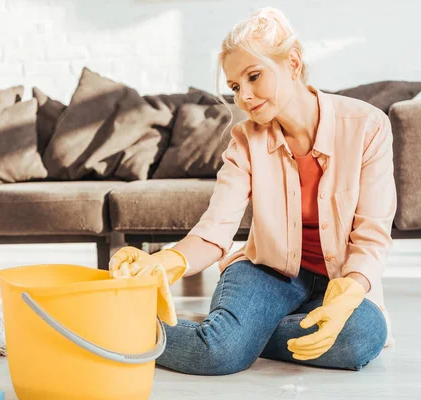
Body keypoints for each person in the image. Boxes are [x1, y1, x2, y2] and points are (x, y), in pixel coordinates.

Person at [109, 6, 396, 375]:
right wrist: (165, 261)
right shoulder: (244, 141)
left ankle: (235, 332)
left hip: (337, 280)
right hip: (266, 273)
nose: (243, 95)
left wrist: (352, 290)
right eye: (234, 86)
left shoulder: (368, 127)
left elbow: (373, 234)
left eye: (254, 76)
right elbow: (215, 231)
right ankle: (112, 326)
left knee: (363, 334)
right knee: (219, 354)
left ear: (292, 63)